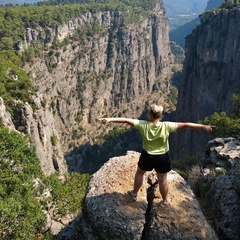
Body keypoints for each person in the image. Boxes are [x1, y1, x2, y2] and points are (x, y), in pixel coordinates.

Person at [100, 104, 214, 207]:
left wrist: (109, 119)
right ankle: (165, 200)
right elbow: (185, 125)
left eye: (148, 112)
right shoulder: (166, 126)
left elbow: (125, 120)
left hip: (147, 155)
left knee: (140, 173)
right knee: (162, 180)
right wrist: (203, 126)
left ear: (150, 115)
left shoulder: (143, 125)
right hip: (162, 157)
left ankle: (134, 193)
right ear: (159, 115)